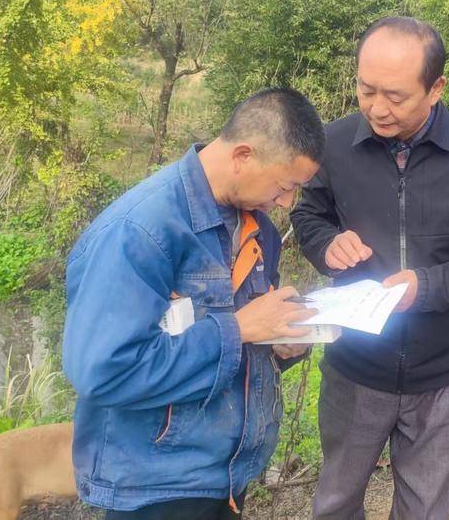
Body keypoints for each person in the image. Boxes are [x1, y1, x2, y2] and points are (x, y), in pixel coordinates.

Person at [290, 16, 449, 519]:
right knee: (335, 500)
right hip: (355, 365)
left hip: (440, 370)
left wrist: (427, 286)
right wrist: (328, 244)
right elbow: (308, 215)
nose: (377, 108)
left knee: (425, 507)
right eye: (366, 90)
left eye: (395, 96)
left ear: (436, 88)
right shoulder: (335, 143)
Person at [62, 87, 324, 519]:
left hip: (227, 476)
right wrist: (239, 329)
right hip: (155, 487)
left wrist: (279, 345)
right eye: (285, 186)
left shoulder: (260, 232)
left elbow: (240, 351)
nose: (286, 202)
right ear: (243, 155)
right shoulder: (140, 230)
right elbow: (104, 373)